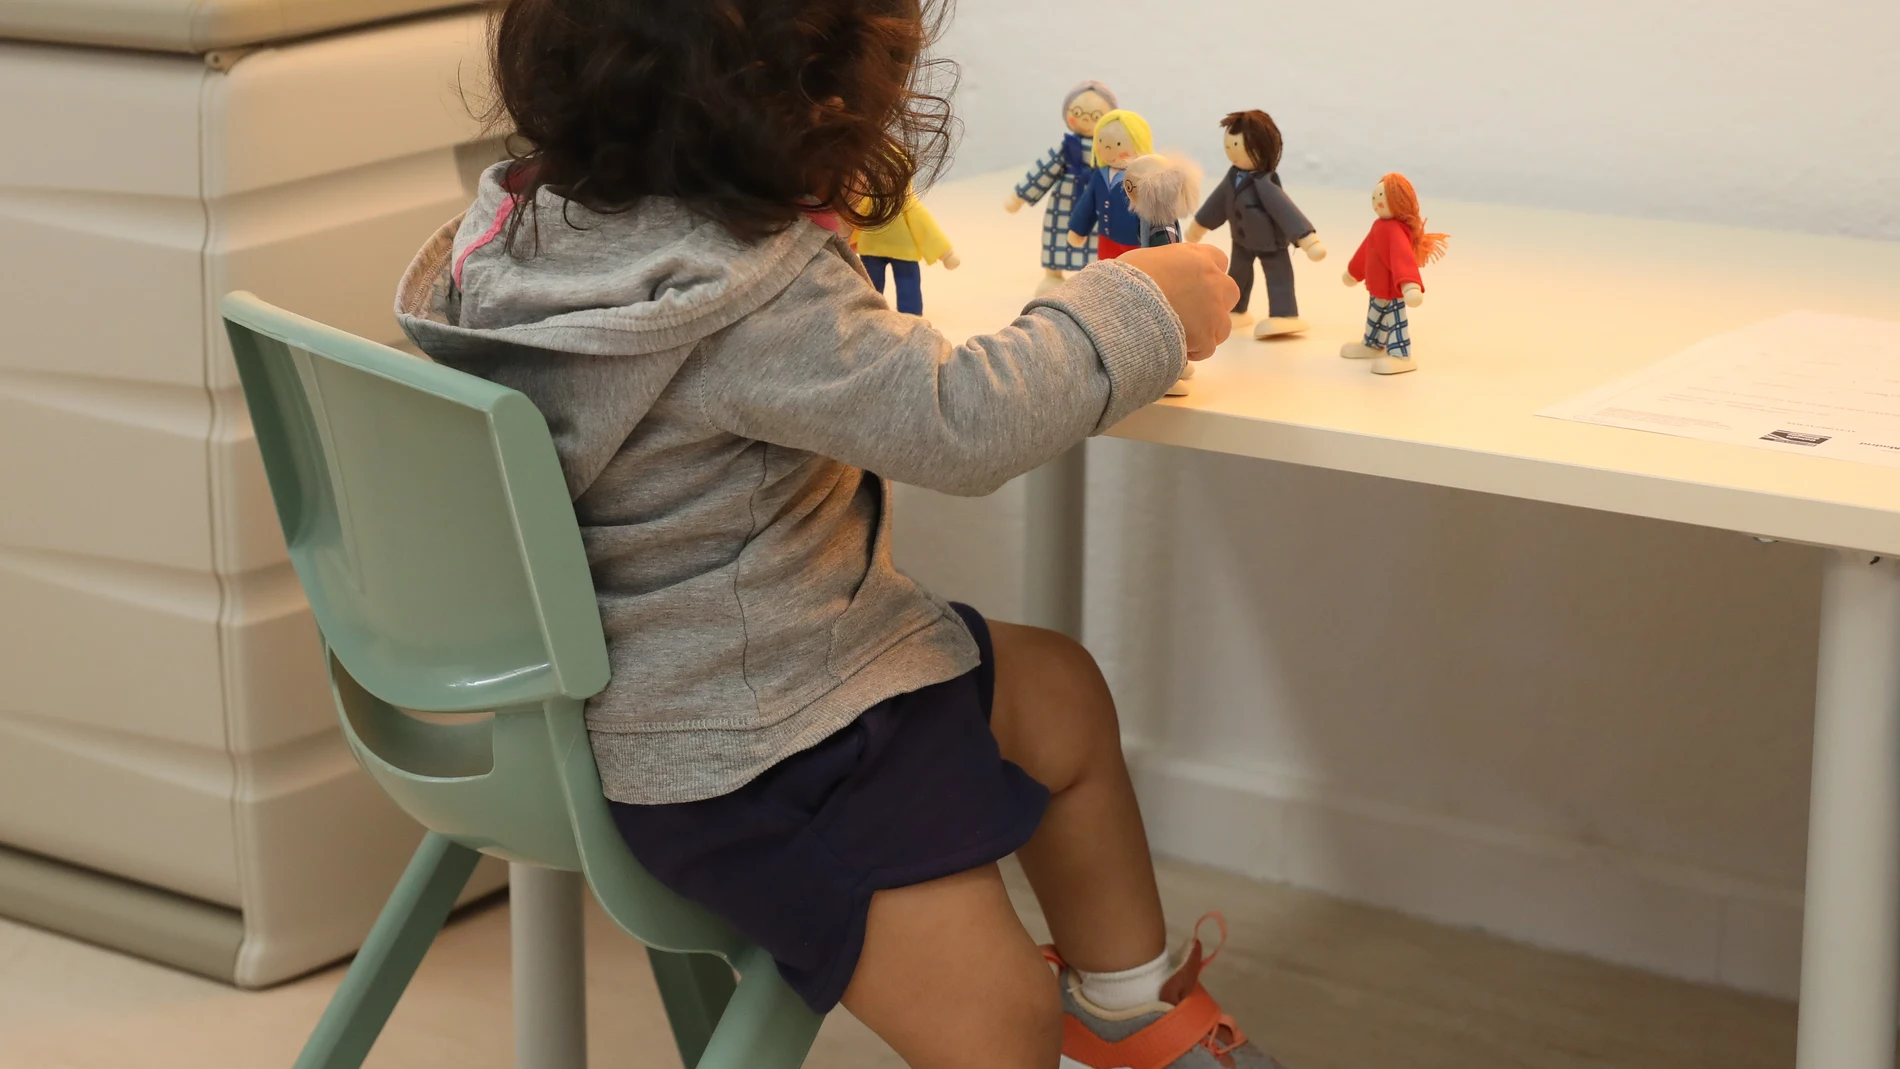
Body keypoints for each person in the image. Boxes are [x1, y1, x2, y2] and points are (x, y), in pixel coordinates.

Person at [392, 2, 1260, 1067]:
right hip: (760, 750)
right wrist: (1136, 309)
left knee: (1060, 693)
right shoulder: (748, 301)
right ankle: (1096, 1016)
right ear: (822, 102)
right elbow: (963, 420)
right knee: (1001, 1024)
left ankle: (1127, 1013)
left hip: (637, 698)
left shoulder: (524, 224)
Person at [1188, 110, 1328, 339]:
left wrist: (1308, 239)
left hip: (1270, 242)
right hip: (1242, 241)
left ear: (1262, 147)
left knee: (1278, 275)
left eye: (1237, 146)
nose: (1231, 153)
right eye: (1228, 146)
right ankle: (1236, 308)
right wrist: (1199, 225)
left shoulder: (1264, 183)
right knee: (1237, 275)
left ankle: (1285, 316)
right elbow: (1217, 202)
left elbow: (1286, 211)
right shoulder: (1233, 177)